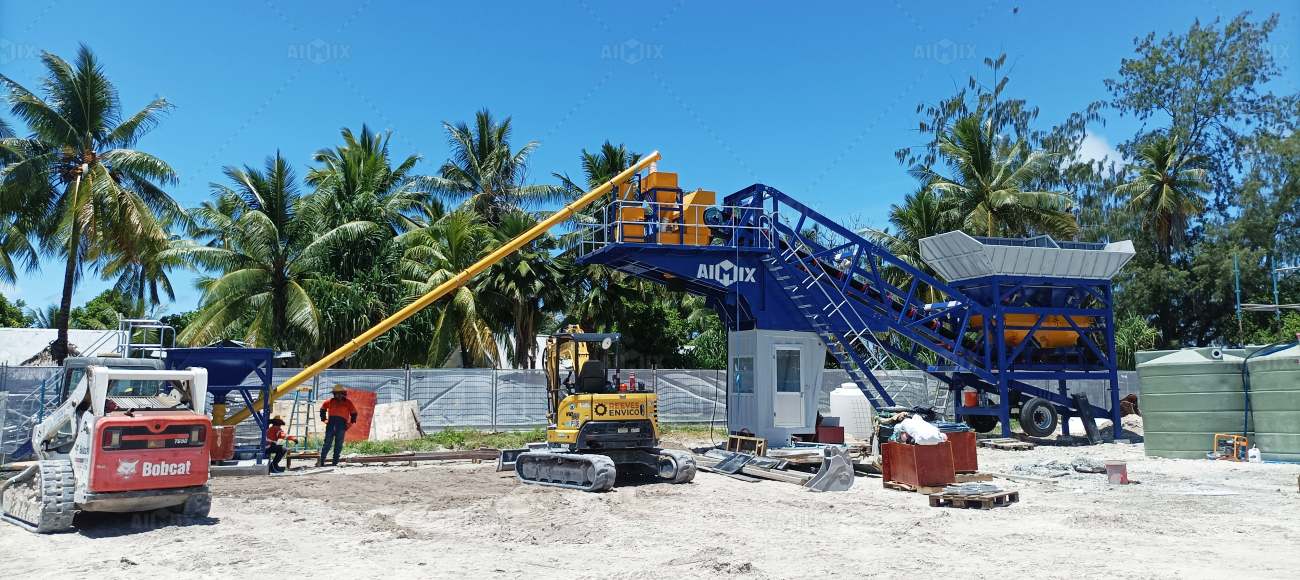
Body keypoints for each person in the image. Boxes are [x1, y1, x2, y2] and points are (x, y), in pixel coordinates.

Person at [318, 385, 358, 466]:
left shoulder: (348, 402)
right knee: (327, 443)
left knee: (338, 444)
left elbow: (354, 414)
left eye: (340, 394)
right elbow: (322, 409)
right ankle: (321, 461)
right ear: (334, 394)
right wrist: (324, 420)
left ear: (344, 394)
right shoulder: (329, 401)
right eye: (337, 394)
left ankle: (335, 462)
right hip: (331, 425)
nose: (339, 395)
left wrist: (349, 424)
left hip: (342, 425)